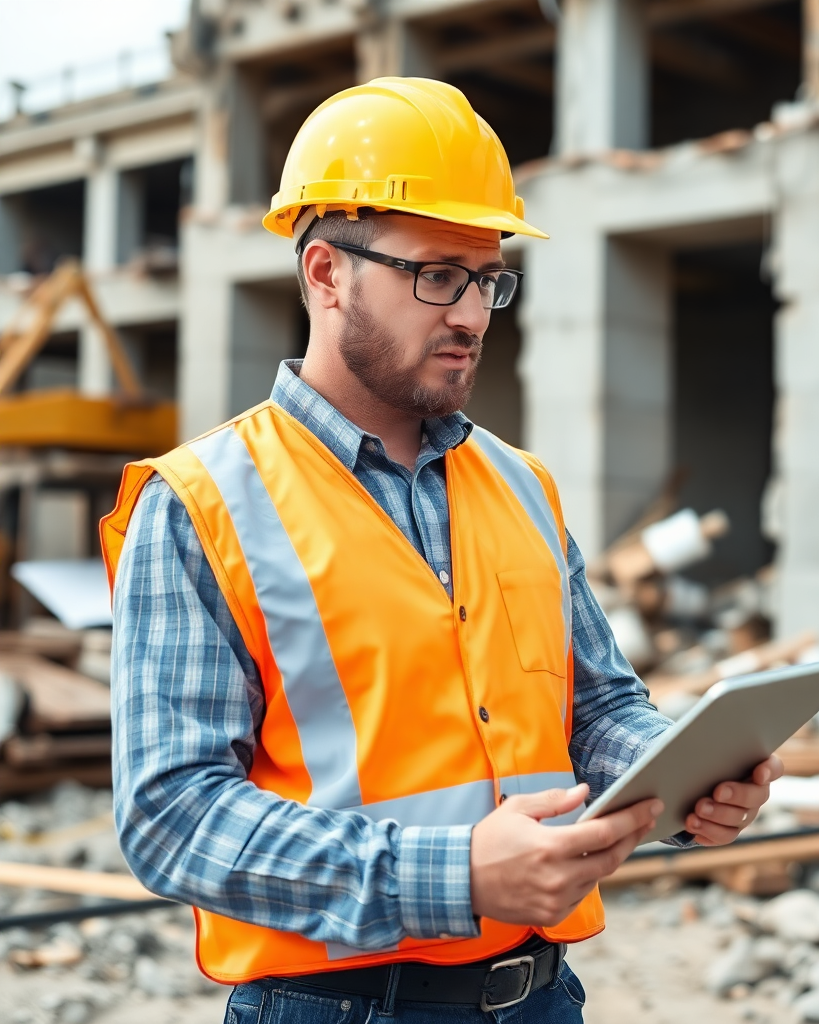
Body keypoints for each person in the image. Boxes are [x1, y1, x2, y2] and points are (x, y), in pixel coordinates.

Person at [102, 78, 782, 1023]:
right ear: (327, 273)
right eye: (437, 275)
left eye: (488, 278)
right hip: (338, 1007)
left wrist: (680, 775)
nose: (471, 313)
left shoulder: (521, 486)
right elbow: (173, 818)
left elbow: (598, 708)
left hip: (541, 996)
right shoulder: (201, 503)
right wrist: (454, 875)